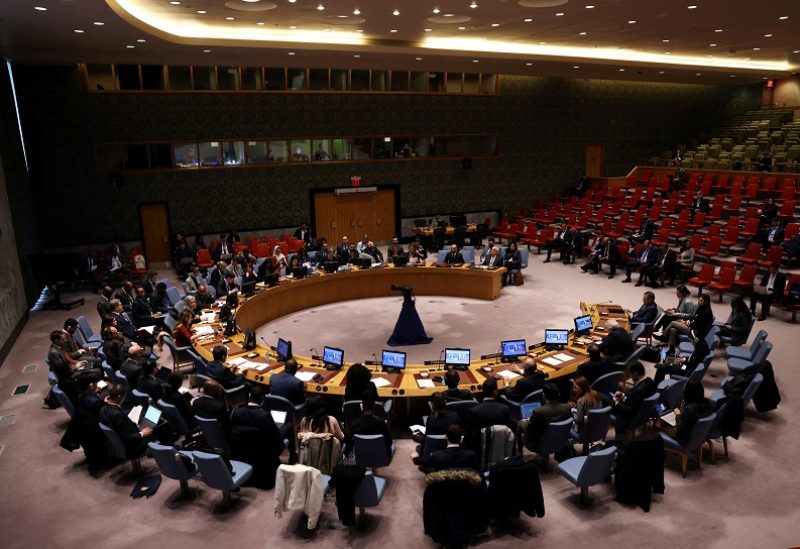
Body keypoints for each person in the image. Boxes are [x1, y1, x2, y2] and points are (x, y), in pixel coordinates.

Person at [229, 384, 283, 488]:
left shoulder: (236, 412)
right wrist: (279, 450)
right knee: (285, 429)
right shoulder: (265, 415)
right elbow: (275, 435)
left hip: (243, 453)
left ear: (250, 396)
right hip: (262, 456)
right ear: (263, 398)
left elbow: (231, 435)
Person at [99, 383, 155, 458]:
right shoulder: (117, 414)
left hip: (127, 435)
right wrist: (142, 433)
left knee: (147, 418)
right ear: (119, 397)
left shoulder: (103, 409)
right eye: (124, 397)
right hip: (134, 447)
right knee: (156, 425)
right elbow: (128, 438)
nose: (124, 399)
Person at [522, 383, 571, 453]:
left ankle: (519, 456)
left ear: (544, 395)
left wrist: (526, 421)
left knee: (520, 424)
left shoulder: (538, 411)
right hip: (560, 439)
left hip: (539, 444)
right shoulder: (567, 407)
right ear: (559, 394)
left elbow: (530, 429)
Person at [411, 424, 478, 474]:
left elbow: (422, 461)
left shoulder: (437, 456)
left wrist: (415, 457)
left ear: (446, 437)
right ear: (461, 438)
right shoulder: (471, 455)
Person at [611, 362, 656, 435]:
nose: (631, 378)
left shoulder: (638, 390)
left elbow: (629, 411)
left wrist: (616, 403)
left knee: (607, 401)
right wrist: (623, 395)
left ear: (635, 373)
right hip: (643, 414)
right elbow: (635, 398)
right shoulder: (649, 381)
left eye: (631, 375)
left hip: (630, 418)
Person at [349, 390, 393, 457]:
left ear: (362, 406)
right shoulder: (382, 424)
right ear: (374, 406)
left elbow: (350, 444)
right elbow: (389, 442)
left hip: (361, 457)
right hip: (380, 458)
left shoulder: (354, 425)